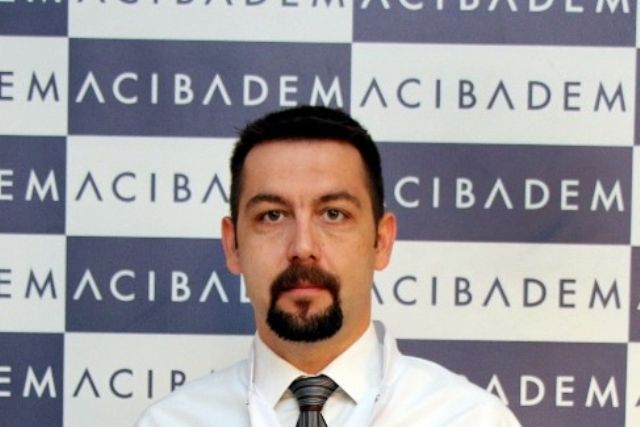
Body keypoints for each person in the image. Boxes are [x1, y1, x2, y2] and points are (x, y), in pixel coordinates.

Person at [135, 106, 522, 427]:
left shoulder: (471, 419)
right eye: (272, 215)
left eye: (333, 214)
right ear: (233, 245)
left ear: (381, 241)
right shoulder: (169, 423)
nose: (303, 247)